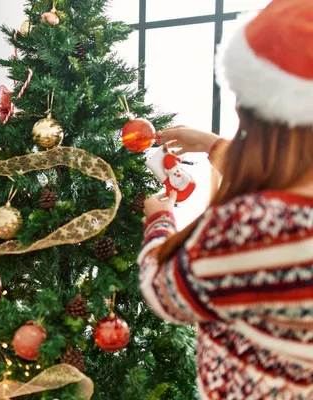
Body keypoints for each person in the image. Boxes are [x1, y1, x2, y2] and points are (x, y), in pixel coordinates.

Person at [138, 1, 313, 399]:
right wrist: (211, 145)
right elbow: (288, 167)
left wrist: (160, 220)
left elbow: (164, 292)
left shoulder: (251, 226)